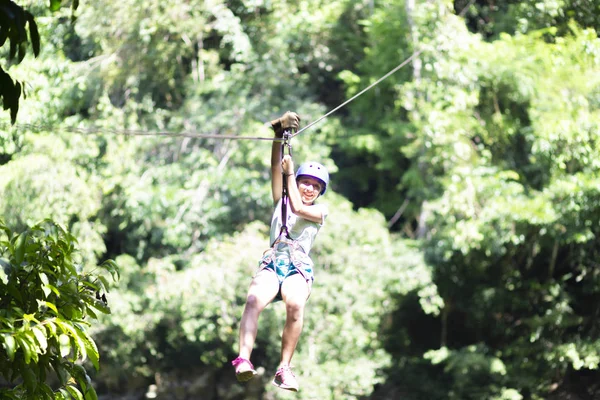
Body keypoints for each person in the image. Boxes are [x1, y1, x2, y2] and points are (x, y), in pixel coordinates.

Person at [231, 111, 330, 392]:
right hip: (273, 262)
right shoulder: (280, 201)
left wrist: (291, 172)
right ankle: (244, 359)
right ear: (297, 183)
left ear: (320, 192)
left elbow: (298, 208)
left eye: (315, 186)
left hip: (298, 266)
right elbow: (276, 167)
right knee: (253, 301)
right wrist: (278, 136)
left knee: (295, 305)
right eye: (305, 182)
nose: (309, 188)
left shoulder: (319, 211)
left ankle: (284, 368)